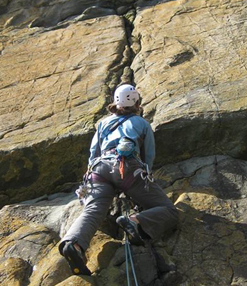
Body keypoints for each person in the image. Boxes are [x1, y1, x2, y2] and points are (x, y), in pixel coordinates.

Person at [59, 84, 179, 276]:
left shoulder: (103, 124)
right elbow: (148, 158)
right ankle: (135, 221)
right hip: (127, 169)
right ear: (137, 103)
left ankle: (75, 245)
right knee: (170, 211)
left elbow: (93, 153)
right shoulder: (142, 124)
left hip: (98, 171)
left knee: (93, 210)